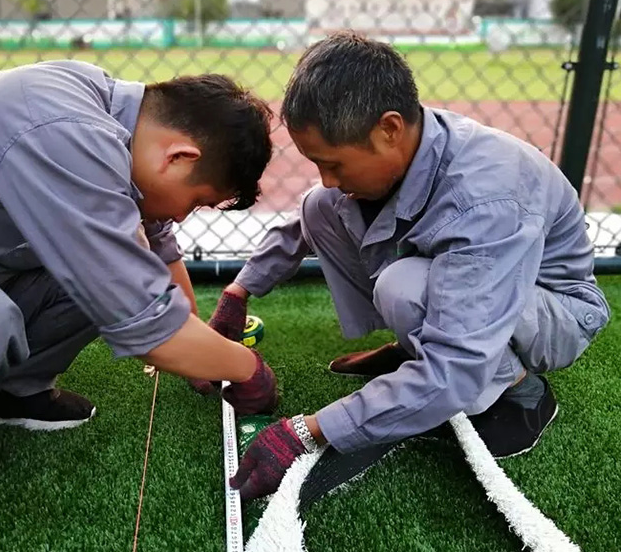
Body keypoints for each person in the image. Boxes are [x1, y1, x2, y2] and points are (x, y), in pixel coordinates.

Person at [0, 61, 280, 552]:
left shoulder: (115, 119)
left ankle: (8, 393)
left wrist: (200, 347)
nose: (181, 215)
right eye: (195, 201)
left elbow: (155, 256)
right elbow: (146, 324)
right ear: (179, 156)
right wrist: (245, 368)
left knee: (110, 264)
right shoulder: (63, 129)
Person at [205, 31, 611, 501]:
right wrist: (239, 292)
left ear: (390, 129)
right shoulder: (410, 146)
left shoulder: (486, 199)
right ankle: (415, 350)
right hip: (477, 294)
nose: (328, 177)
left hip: (553, 312)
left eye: (333, 163)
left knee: (406, 286)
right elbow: (302, 226)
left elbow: (457, 365)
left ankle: (517, 391)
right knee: (321, 206)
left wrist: (308, 430)